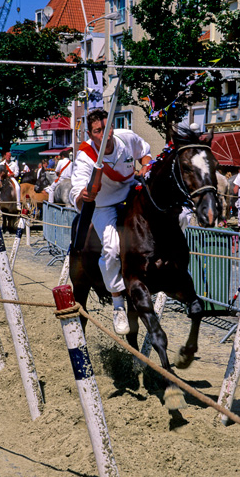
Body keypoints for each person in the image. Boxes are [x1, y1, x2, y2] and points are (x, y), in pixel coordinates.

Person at [69, 108, 152, 335]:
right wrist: (82, 197)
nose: (103, 134)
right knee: (112, 248)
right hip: (103, 205)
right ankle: (118, 304)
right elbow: (75, 191)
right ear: (90, 132)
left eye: (107, 128)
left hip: (129, 194)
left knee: (173, 215)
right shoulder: (85, 155)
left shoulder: (126, 137)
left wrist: (145, 164)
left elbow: (145, 152)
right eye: (97, 131)